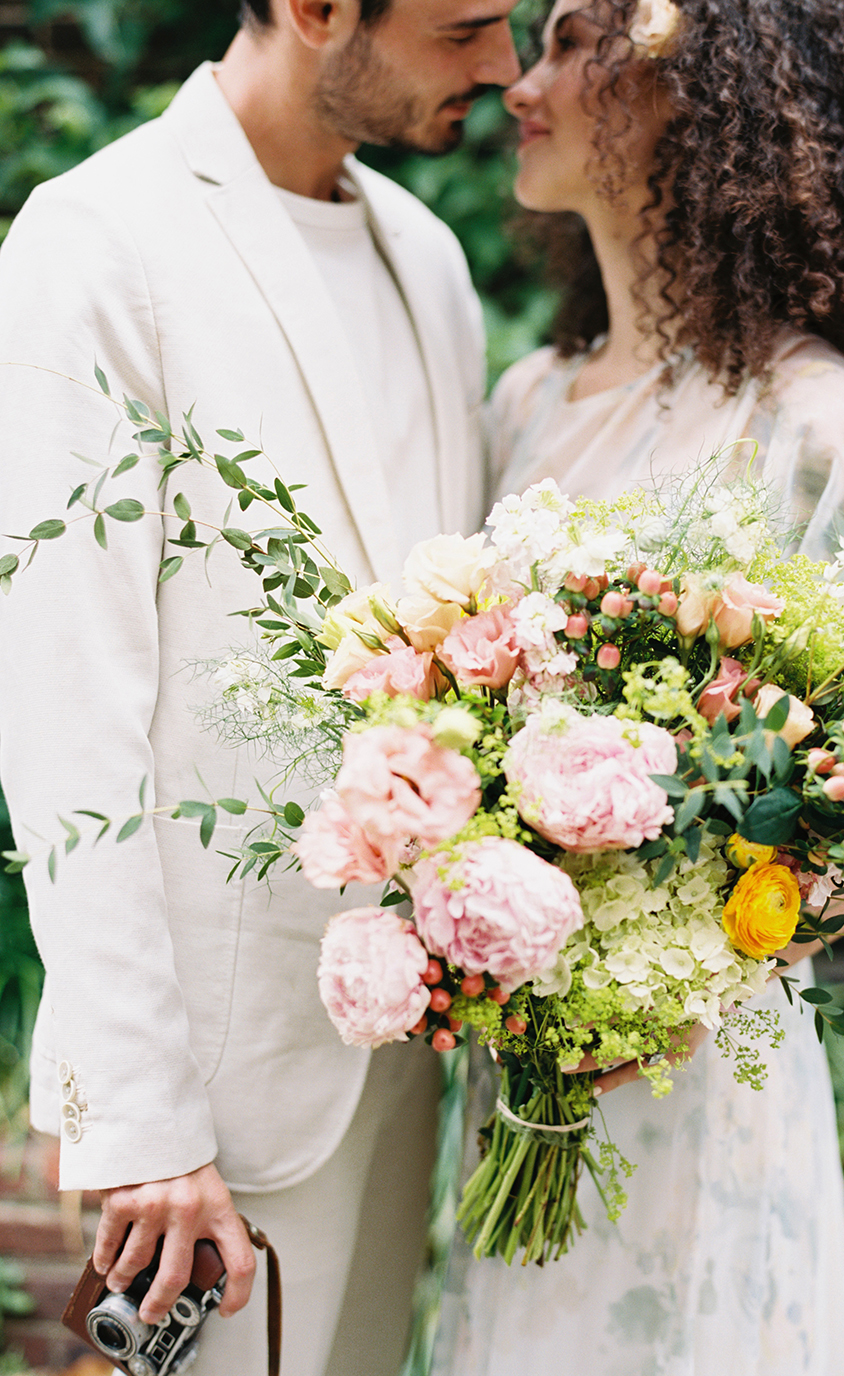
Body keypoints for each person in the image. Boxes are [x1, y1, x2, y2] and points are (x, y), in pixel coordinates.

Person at [432, 1, 844, 1372]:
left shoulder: (813, 429)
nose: (524, 81)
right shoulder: (526, 403)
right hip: (516, 1074)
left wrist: (672, 978)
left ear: (692, 90)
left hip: (696, 1088)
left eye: (572, 43)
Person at [0, 2, 520, 1374]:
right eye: (467, 26)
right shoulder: (96, 240)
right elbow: (64, 705)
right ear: (315, 10)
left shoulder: (431, 255)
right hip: (213, 1104)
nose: (506, 68)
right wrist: (143, 1118)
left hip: (406, 1055)